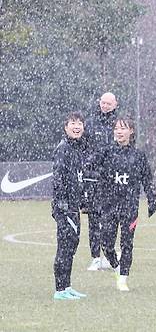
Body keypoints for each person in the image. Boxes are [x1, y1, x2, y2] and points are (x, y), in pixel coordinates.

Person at [99, 115, 156, 291]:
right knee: (106, 244)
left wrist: (152, 199)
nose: (119, 131)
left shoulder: (138, 155)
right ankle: (116, 266)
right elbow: (89, 167)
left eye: (123, 128)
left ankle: (123, 278)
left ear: (131, 131)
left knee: (127, 244)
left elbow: (147, 180)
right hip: (109, 205)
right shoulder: (106, 152)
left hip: (130, 206)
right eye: (116, 128)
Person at [51, 111, 88, 300]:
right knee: (64, 246)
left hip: (73, 206)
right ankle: (59, 290)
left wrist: (82, 200)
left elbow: (77, 179)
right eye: (73, 123)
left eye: (79, 123)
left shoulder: (78, 148)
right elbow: (58, 178)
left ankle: (67, 286)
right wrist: (62, 203)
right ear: (66, 127)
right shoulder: (63, 148)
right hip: (64, 207)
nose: (77, 126)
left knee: (72, 245)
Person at [81, 92, 118, 271]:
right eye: (103, 102)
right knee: (94, 218)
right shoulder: (90, 123)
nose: (105, 105)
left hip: (112, 178)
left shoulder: (120, 124)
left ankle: (111, 254)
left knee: (112, 218)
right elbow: (83, 148)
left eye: (108, 103)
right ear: (99, 103)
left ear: (115, 104)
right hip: (93, 178)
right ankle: (95, 257)